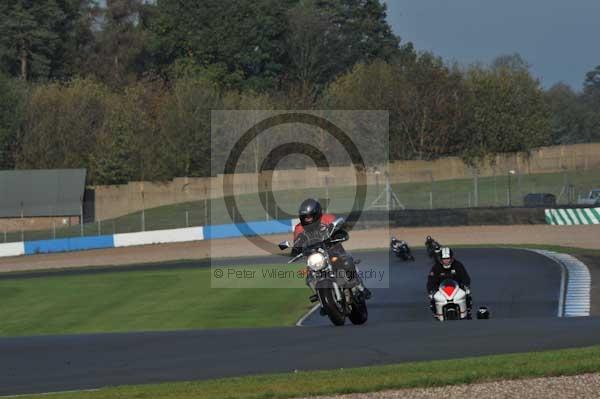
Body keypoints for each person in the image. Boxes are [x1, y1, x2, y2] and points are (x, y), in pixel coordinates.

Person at [292, 198, 371, 300]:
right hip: (315, 256)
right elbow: (297, 242)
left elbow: (339, 227)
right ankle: (321, 299)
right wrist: (296, 249)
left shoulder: (327, 218)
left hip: (334, 250)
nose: (307, 219)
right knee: (309, 277)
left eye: (309, 216)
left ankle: (361, 287)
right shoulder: (299, 227)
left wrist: (340, 234)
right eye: (305, 217)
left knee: (347, 263)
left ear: (316, 212)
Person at [426, 247, 472, 317]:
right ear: (441, 259)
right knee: (432, 298)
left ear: (451, 258)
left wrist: (466, 285)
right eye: (444, 259)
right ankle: (436, 313)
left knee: (467, 294)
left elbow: (465, 277)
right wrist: (431, 290)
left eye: (447, 258)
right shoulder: (436, 267)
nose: (446, 261)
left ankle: (467, 311)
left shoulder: (458, 265)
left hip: (457, 289)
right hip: (441, 291)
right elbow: (431, 280)